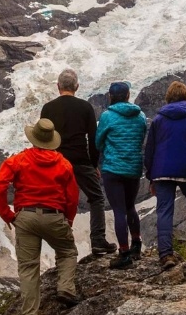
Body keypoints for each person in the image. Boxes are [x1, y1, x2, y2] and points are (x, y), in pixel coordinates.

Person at [0, 118, 81, 314]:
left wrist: (7, 214)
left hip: (25, 216)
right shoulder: (64, 164)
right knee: (67, 251)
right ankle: (66, 288)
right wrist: (68, 220)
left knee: (28, 267)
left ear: (33, 139)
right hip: (54, 215)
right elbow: (72, 197)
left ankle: (30, 312)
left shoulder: (18, 159)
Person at [40, 69, 117, 255]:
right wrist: (93, 164)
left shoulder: (48, 108)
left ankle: (61, 245)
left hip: (56, 161)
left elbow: (43, 138)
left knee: (57, 201)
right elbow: (93, 138)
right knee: (96, 198)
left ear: (58, 87)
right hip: (80, 160)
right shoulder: (85, 107)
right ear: (76, 87)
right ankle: (98, 241)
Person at [144, 81, 186, 270]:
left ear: (168, 96)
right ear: (185, 96)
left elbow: (150, 150)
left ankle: (166, 255)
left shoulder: (158, 120)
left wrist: (151, 175)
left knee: (164, 211)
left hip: (162, 171)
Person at [95, 81, 148, 269]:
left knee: (119, 210)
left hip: (113, 169)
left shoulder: (107, 116)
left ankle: (124, 253)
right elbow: (142, 137)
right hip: (133, 168)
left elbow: (98, 142)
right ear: (128, 95)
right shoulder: (140, 116)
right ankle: (136, 244)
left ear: (110, 96)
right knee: (130, 206)